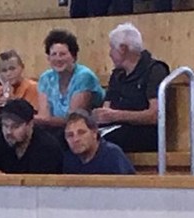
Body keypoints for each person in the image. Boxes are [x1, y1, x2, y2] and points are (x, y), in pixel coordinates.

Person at [95, 22, 170, 154]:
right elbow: (107, 108)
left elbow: (155, 115)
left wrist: (118, 116)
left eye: (112, 48)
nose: (110, 54)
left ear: (123, 48)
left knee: (105, 142)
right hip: (115, 127)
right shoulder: (117, 74)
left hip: (143, 131)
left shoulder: (155, 70)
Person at [0, 99, 64, 175]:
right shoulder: (3, 140)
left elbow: (36, 186)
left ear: (30, 124)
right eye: (5, 125)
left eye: (15, 126)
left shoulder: (47, 147)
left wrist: (3, 178)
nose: (8, 132)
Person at [35, 29, 104, 131]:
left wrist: (32, 119)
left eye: (62, 54)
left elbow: (73, 120)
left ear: (74, 57)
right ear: (48, 58)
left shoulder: (84, 76)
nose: (58, 59)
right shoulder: (46, 78)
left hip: (83, 131)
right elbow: (44, 116)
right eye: (54, 54)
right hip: (55, 131)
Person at [62, 109, 135, 174]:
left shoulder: (112, 155)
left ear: (94, 133)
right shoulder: (69, 159)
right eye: (70, 135)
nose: (76, 139)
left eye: (81, 132)